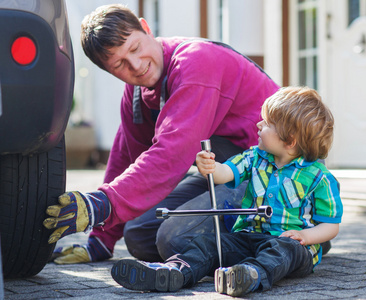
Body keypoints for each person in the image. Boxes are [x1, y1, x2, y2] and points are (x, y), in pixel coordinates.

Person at [42, 4, 280, 264]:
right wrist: (101, 238)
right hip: (226, 171)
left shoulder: (196, 62)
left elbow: (173, 153)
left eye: (135, 48)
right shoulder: (137, 95)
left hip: (280, 172)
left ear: (146, 28)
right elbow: (126, 160)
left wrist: (101, 205)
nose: (136, 65)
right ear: (109, 71)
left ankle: (293, 234)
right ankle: (228, 243)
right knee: (140, 234)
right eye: (119, 64)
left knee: (172, 238)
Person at [110, 86, 343, 297]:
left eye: (267, 123)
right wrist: (210, 167)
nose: (258, 125)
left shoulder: (319, 178)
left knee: (284, 250)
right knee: (208, 243)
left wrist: (306, 236)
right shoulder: (254, 157)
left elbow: (330, 225)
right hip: (247, 237)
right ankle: (174, 271)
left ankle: (250, 275)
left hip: (292, 247)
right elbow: (225, 173)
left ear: (289, 140)